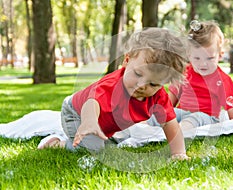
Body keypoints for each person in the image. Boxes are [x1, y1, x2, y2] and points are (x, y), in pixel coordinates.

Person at [39, 28, 189, 160]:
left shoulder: (159, 98)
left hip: (104, 124)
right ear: (127, 60)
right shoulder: (113, 86)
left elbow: (171, 125)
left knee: (108, 143)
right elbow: (92, 103)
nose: (141, 85)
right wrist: (89, 122)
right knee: (93, 150)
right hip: (78, 113)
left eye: (153, 84)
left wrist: (179, 153)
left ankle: (88, 137)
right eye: (137, 74)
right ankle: (58, 143)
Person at [148, 20, 233, 130]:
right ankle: (142, 126)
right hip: (183, 112)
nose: (203, 64)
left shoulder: (222, 79)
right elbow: (171, 100)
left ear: (220, 55)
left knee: (193, 118)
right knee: (160, 113)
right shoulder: (185, 72)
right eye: (197, 58)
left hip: (207, 117)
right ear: (189, 54)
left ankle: (181, 130)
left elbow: (232, 110)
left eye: (210, 58)